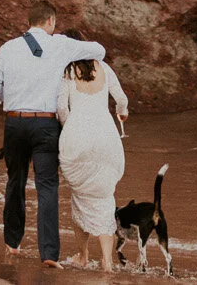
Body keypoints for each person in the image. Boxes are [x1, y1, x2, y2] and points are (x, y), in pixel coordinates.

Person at [0, 0, 105, 268]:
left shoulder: (9, 47)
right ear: (50, 21)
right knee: (47, 186)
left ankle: (12, 243)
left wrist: (10, 100)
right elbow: (100, 50)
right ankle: (49, 254)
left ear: (29, 22)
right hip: (46, 125)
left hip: (15, 122)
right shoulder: (60, 44)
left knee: (15, 181)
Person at [55, 51, 129, 271]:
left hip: (78, 137)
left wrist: (70, 127)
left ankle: (83, 255)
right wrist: (121, 113)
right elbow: (122, 99)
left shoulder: (68, 71)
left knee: (80, 196)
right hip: (107, 137)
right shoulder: (104, 68)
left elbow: (60, 108)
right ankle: (107, 261)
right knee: (105, 197)